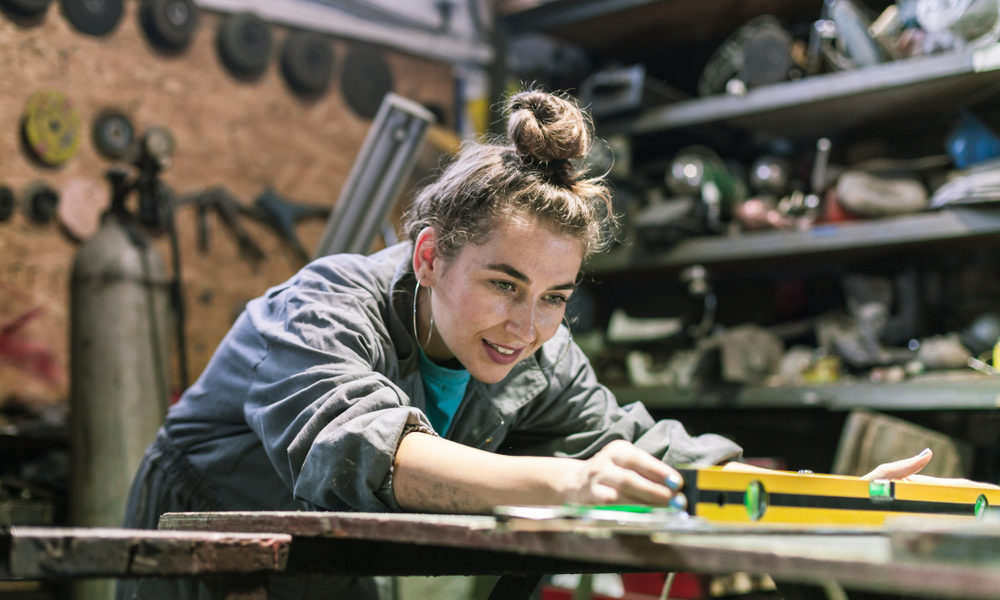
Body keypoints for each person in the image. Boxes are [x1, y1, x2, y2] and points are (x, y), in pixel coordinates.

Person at [116, 89, 940, 600]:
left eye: (555, 297)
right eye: (504, 285)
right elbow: (370, 455)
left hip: (332, 566)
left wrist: (821, 498)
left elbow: (640, 450)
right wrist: (574, 484)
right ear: (430, 254)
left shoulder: (538, 353)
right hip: (196, 562)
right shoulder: (321, 308)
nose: (527, 327)